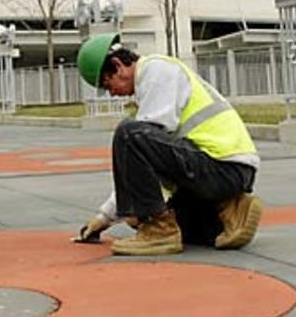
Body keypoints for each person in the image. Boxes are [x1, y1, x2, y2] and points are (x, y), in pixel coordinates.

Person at [73, 33, 263, 255]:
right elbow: (158, 161)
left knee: (128, 134)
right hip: (223, 169)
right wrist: (104, 217)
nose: (112, 93)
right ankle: (229, 214)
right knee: (147, 218)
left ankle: (159, 233)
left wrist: (114, 214)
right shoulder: (155, 81)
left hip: (222, 166)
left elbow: (143, 148)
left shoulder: (156, 72)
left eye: (108, 84)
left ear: (118, 66)